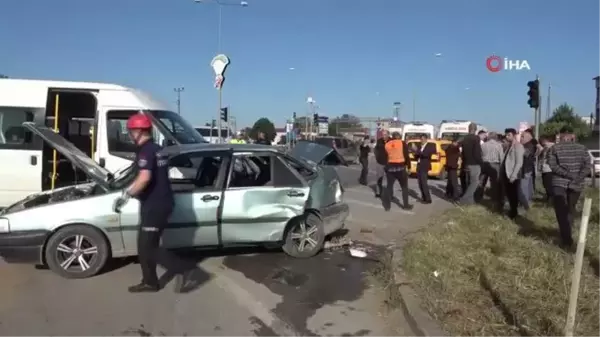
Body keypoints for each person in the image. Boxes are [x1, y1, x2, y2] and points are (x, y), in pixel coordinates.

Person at [113, 113, 187, 293]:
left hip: (155, 206)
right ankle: (151, 279)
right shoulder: (157, 148)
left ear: (137, 131)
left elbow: (145, 178)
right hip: (160, 202)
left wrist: (127, 194)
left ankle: (151, 282)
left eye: (131, 131)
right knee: (148, 245)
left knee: (146, 247)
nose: (130, 135)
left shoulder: (145, 151)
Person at [547, 126, 590, 248]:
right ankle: (568, 232)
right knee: (571, 209)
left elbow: (553, 166)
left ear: (560, 135)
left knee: (561, 211)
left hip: (559, 183)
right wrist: (577, 178)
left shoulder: (555, 148)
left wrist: (568, 175)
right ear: (573, 135)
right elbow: (587, 166)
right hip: (577, 184)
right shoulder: (582, 148)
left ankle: (566, 238)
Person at [383, 132, 412, 210]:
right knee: (404, 187)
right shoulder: (402, 143)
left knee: (389, 186)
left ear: (392, 137)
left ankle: (387, 206)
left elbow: (385, 157)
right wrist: (409, 167)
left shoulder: (387, 144)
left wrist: (386, 167)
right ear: (399, 137)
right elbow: (406, 156)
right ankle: (405, 205)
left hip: (390, 168)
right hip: (400, 168)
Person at [500, 128, 524, 219]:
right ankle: (512, 210)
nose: (506, 137)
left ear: (514, 135)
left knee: (513, 194)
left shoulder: (518, 146)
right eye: (506, 135)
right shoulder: (509, 146)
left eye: (509, 135)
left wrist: (514, 175)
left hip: (513, 174)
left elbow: (519, 162)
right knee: (509, 193)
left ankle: (513, 212)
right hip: (506, 173)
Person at [476, 132, 504, 209]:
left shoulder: (483, 145)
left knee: (481, 182)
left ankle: (477, 197)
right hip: (495, 165)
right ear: (496, 137)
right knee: (495, 184)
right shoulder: (499, 145)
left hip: (484, 164)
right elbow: (501, 157)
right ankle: (494, 200)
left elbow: (480, 155)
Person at [459, 123, 483, 205]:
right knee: (475, 182)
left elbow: (463, 152)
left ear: (468, 129)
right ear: (475, 129)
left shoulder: (464, 138)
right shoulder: (476, 138)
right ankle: (464, 199)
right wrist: (481, 162)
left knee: (470, 183)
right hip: (474, 163)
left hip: (466, 163)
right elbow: (477, 152)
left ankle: (470, 202)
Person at [411, 134, 435, 204]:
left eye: (422, 139)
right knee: (420, 183)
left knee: (424, 183)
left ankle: (428, 199)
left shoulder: (430, 146)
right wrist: (414, 152)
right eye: (420, 139)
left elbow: (425, 155)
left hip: (424, 166)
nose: (421, 140)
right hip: (419, 166)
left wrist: (417, 150)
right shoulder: (420, 147)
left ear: (425, 139)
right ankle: (423, 197)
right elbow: (418, 156)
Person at [519, 129, 536, 210]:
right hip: (528, 168)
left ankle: (524, 204)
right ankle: (528, 201)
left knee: (523, 187)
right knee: (528, 186)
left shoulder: (528, 146)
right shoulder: (530, 145)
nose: (520, 138)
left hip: (525, 169)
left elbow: (524, 155)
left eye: (522, 136)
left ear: (528, 138)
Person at [373, 130, 390, 198]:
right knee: (379, 178)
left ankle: (390, 194)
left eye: (385, 134)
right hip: (380, 162)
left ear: (388, 135)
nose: (383, 136)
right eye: (383, 134)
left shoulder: (391, 141)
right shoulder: (379, 141)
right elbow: (375, 149)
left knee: (390, 179)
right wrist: (377, 157)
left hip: (389, 163)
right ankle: (378, 192)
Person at [538, 136, 554, 202]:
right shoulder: (546, 147)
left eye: (541, 141)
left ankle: (551, 198)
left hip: (548, 169)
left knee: (548, 184)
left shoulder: (549, 146)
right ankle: (549, 197)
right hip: (545, 169)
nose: (541, 143)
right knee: (546, 184)